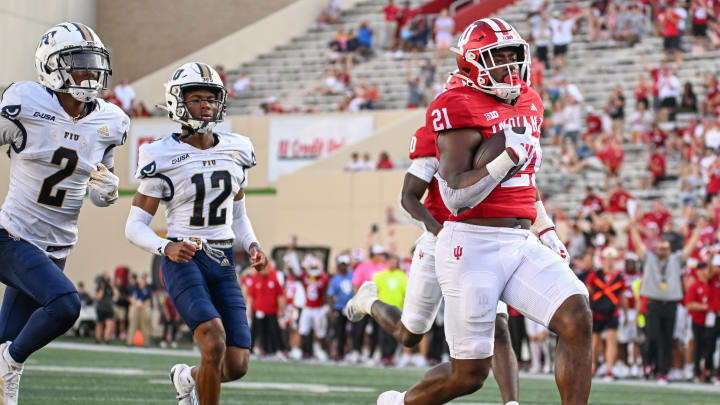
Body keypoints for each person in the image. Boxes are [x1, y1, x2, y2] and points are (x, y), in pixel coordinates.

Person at [377, 18, 591, 405]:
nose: (510, 65)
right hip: (469, 244)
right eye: (498, 56)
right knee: (469, 376)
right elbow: (456, 195)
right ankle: (397, 403)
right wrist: (504, 159)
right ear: (473, 62)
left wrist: (546, 230)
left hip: (518, 240)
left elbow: (526, 180)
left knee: (576, 314)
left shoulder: (530, 100)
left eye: (514, 55)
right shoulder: (455, 105)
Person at [346, 72, 520, 405]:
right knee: (411, 334)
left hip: (479, 242)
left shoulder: (498, 131)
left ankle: (511, 403)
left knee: (498, 326)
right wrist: (438, 231)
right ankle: (369, 301)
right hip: (440, 240)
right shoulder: (439, 138)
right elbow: (409, 197)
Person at [124, 62, 267, 405]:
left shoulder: (236, 149)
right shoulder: (162, 153)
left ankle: (186, 378)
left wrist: (252, 244)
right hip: (184, 258)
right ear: (178, 102)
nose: (205, 105)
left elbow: (238, 215)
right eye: (197, 98)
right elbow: (133, 227)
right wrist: (165, 248)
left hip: (223, 260)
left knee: (236, 364)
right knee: (213, 341)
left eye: (211, 98)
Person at [0, 22, 126, 405]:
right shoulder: (25, 103)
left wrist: (107, 191)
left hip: (57, 248)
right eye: (79, 63)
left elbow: (99, 189)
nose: (89, 73)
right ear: (52, 66)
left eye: (93, 64)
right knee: (66, 305)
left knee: (4, 340)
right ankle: (10, 363)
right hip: (13, 237)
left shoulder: (111, 121)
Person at [628, 214, 703, 385]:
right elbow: (639, 245)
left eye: (665, 249)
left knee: (667, 339)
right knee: (652, 336)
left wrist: (698, 230)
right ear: (657, 250)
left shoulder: (676, 260)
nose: (662, 251)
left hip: (670, 305)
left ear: (670, 250)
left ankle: (662, 372)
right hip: (653, 304)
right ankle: (649, 365)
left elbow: (689, 248)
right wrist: (633, 228)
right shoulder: (650, 259)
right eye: (660, 249)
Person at [586, 247, 627, 381]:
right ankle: (593, 367)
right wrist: (588, 308)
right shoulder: (596, 274)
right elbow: (588, 290)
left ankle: (609, 369)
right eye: (607, 258)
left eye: (611, 259)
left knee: (611, 340)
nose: (609, 261)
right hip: (597, 311)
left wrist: (625, 313)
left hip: (612, 312)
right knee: (595, 340)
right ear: (603, 259)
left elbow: (622, 296)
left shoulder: (619, 276)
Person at [327, 254, 355, 361]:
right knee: (340, 332)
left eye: (345, 265)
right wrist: (331, 310)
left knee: (354, 331)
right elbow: (330, 296)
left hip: (352, 307)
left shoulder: (352, 275)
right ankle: (340, 352)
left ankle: (353, 352)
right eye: (341, 265)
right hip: (340, 307)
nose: (343, 267)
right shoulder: (335, 279)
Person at [126, 273, 152, 346]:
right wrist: (136, 304)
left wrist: (143, 305)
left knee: (144, 325)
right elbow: (130, 298)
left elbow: (149, 300)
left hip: (144, 307)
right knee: (132, 324)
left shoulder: (148, 289)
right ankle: (129, 342)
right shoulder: (134, 287)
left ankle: (146, 342)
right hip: (135, 306)